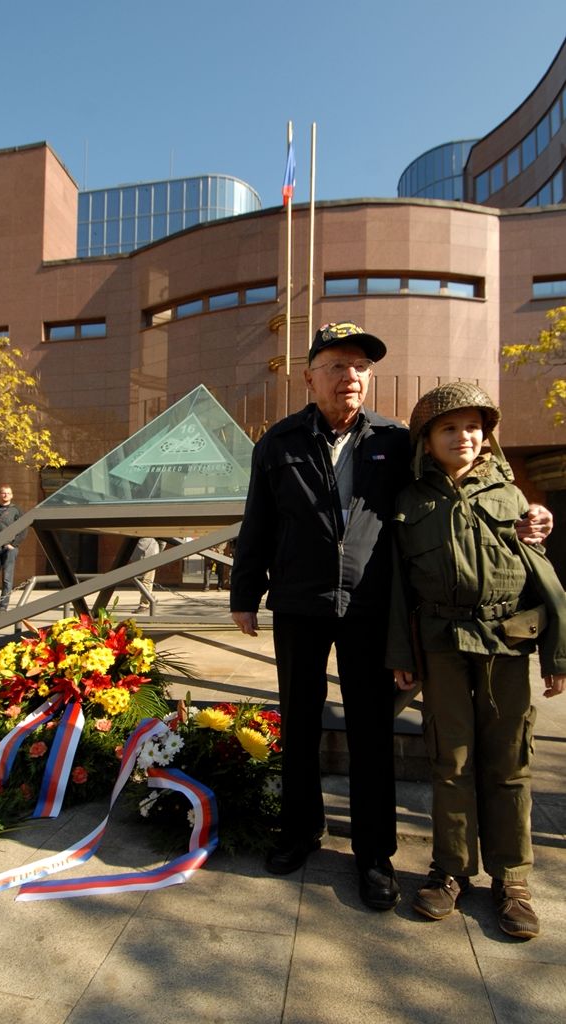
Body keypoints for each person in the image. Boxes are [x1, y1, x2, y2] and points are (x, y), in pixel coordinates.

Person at [229, 321, 553, 912]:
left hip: (372, 608)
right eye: (336, 365)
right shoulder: (277, 443)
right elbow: (259, 524)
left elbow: (455, 487)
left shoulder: (397, 440)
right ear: (310, 376)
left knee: (371, 731)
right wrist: (244, 594)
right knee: (298, 723)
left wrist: (526, 512)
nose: (350, 376)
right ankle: (299, 832)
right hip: (300, 605)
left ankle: (374, 855)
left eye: (360, 366)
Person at [387, 382, 566, 940]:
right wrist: (402, 654)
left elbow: (543, 579)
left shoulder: (513, 497)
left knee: (510, 761)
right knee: (451, 759)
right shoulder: (410, 500)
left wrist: (556, 655)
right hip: (441, 645)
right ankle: (451, 870)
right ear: (426, 439)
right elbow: (398, 586)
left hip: (506, 644)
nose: (463, 437)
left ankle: (512, 880)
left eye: (473, 427)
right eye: (449, 428)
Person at [0, 485, 26, 614]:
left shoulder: (16, 510)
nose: (5, 495)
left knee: (7, 578)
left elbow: (23, 528)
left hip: (9, 548)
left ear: (12, 495)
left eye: (8, 493)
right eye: (3, 493)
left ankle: (3, 606)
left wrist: (14, 544)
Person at [130, 537, 161, 614]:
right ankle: (150, 598)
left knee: (145, 580)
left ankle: (145, 604)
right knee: (141, 581)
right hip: (145, 554)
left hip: (147, 555)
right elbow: (162, 542)